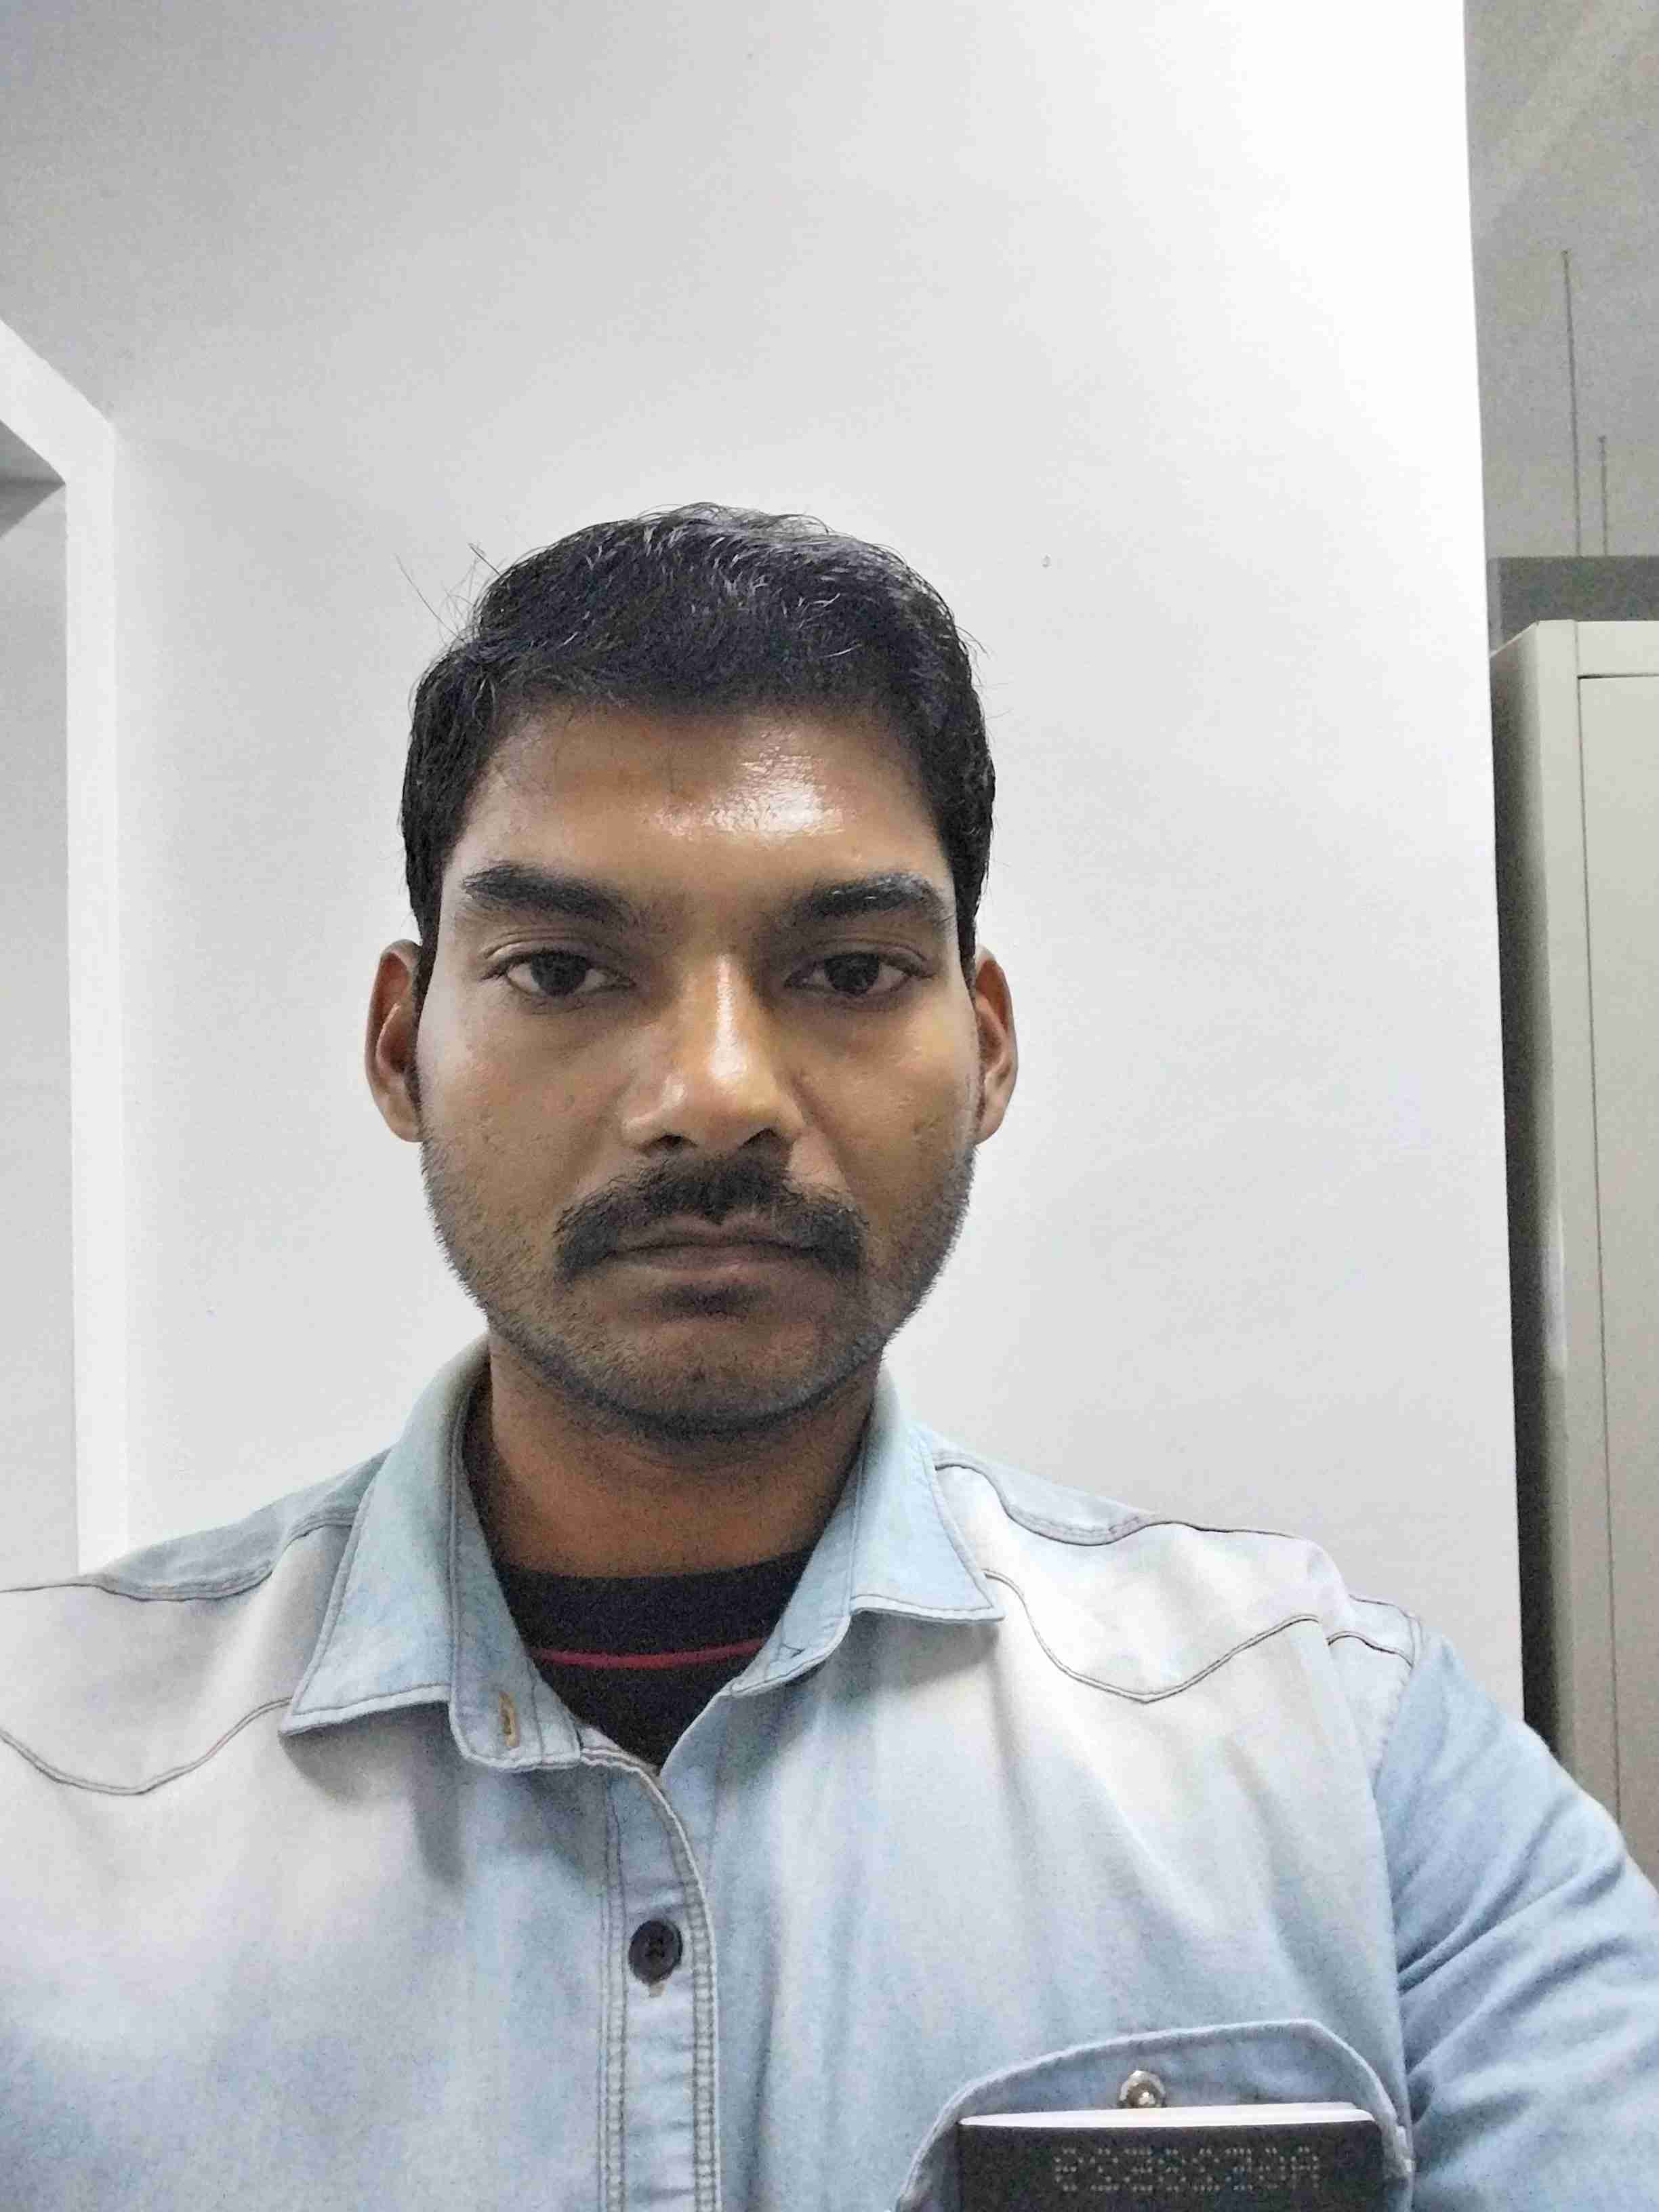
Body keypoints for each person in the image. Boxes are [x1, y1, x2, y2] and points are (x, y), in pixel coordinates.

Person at [2, 504, 1655, 2211]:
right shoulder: (40, 1798)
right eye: (562, 971)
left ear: (987, 1049)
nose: (715, 1094)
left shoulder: (1357, 1774)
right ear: (400, 1043)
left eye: (850, 971)